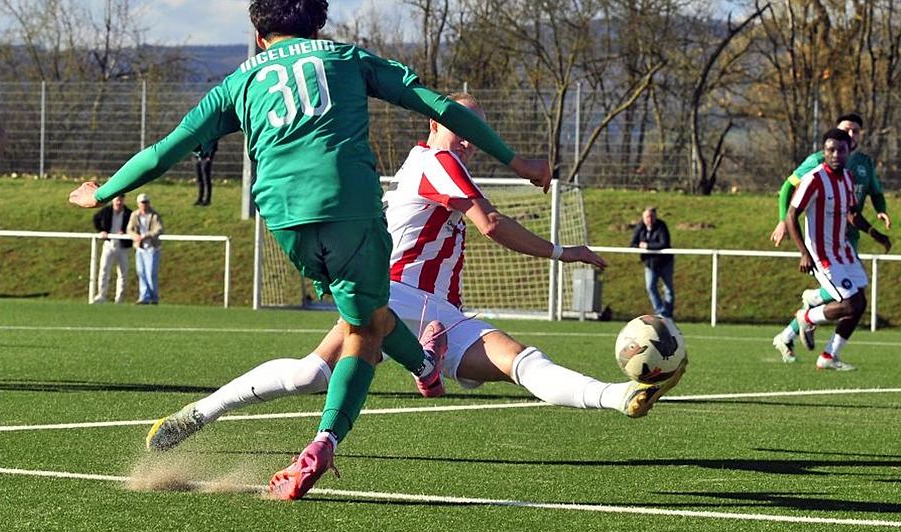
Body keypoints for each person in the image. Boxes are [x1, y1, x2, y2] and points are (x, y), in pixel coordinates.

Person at [68, 0, 552, 501]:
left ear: (260, 37)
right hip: (351, 210)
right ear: (318, 24)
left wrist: (100, 193)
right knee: (365, 330)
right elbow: (442, 108)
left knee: (367, 315)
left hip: (284, 222)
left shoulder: (239, 83)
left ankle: (425, 369)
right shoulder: (346, 58)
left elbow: (164, 150)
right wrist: (517, 160)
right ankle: (326, 441)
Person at [141, 93, 688, 471]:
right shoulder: (436, 162)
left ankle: (621, 396)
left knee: (521, 361)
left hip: (439, 312)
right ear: (432, 123)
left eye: (478, 132)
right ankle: (204, 414)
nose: (472, 140)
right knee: (314, 372)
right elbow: (490, 224)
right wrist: (562, 251)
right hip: (396, 294)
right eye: (463, 128)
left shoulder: (440, 164)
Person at [769, 113, 892, 362]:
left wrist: (874, 231)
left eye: (855, 133)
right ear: (826, 150)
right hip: (822, 252)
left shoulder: (851, 173)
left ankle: (828, 356)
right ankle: (805, 316)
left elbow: (854, 210)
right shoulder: (814, 173)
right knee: (845, 302)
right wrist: (797, 241)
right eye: (832, 149)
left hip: (844, 246)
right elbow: (790, 202)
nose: (837, 153)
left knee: (858, 303)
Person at [630, 207, 675, 320]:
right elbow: (633, 243)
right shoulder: (640, 226)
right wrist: (640, 246)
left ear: (655, 217)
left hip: (665, 262)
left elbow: (664, 243)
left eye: (651, 216)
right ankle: (661, 312)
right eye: (646, 217)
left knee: (668, 289)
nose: (649, 219)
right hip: (650, 264)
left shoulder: (661, 226)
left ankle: (668, 315)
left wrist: (647, 246)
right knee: (650, 287)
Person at [91, 194, 133, 304]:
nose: (119, 202)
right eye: (117, 200)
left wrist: (125, 232)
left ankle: (119, 298)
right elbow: (95, 219)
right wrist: (101, 230)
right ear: (114, 200)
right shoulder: (107, 211)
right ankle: (101, 295)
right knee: (104, 270)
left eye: (121, 200)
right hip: (109, 245)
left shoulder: (129, 213)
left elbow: (134, 227)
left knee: (123, 273)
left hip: (122, 246)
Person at [127, 193, 164, 305]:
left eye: (146, 202)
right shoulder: (135, 215)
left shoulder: (154, 215)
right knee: (141, 272)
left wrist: (146, 235)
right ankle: (144, 296)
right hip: (140, 248)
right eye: (142, 203)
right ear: (138, 204)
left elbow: (159, 229)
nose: (144, 205)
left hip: (152, 248)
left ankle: (154, 297)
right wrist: (136, 237)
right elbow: (129, 229)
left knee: (151, 273)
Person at [193, 139, 218, 206]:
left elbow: (214, 145)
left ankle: (207, 199)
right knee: (199, 179)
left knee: (206, 179)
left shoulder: (211, 133)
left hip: (206, 158)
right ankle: (200, 199)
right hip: (197, 158)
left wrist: (210, 157)